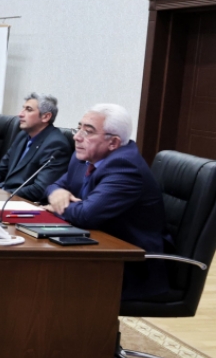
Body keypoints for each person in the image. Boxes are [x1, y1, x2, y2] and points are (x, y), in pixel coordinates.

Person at [44, 104, 167, 299]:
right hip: (94, 246)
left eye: (88, 131)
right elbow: (56, 185)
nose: (77, 137)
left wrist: (56, 206)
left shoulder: (125, 167)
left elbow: (86, 215)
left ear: (113, 142)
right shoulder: (84, 157)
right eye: (79, 128)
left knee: (43, 277)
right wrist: (57, 192)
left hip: (127, 265)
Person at [0, 93, 70, 203]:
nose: (20, 114)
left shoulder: (56, 145)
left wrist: (3, 195)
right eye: (23, 108)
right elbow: (0, 169)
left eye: (28, 109)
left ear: (46, 117)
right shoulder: (23, 135)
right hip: (4, 194)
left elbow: (39, 189)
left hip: (22, 202)